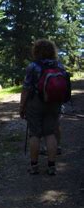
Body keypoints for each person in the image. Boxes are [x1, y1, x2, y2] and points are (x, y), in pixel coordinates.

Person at [19, 39, 66, 176]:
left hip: (36, 103)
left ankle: (34, 166)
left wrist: (22, 106)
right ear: (52, 51)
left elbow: (26, 88)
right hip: (54, 102)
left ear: (36, 51)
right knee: (50, 133)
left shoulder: (33, 66)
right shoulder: (59, 65)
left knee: (35, 134)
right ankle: (51, 166)